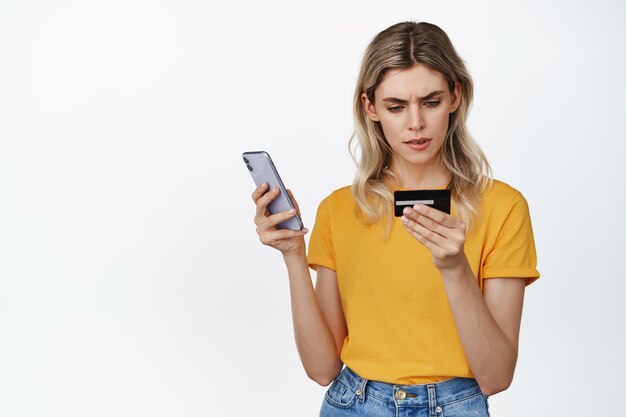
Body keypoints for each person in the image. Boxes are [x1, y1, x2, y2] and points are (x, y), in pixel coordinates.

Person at [251, 21, 539, 417]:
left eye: (431, 101)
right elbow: (322, 369)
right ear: (370, 108)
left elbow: (495, 377)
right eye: (396, 106)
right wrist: (293, 256)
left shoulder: (503, 207)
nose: (415, 123)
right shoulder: (339, 210)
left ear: (456, 96)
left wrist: (454, 268)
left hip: (454, 405)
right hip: (352, 404)